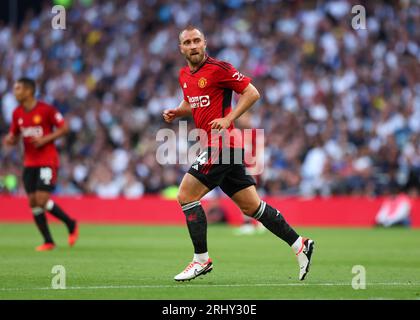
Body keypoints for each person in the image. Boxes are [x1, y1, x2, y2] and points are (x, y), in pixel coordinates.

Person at [163, 26, 315, 281]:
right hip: (220, 147)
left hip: (222, 144)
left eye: (197, 40)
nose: (193, 45)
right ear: (181, 48)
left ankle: (201, 260)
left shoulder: (219, 68)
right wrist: (178, 112)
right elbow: (193, 102)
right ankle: (300, 244)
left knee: (186, 195)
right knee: (252, 207)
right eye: (187, 42)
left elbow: (252, 92)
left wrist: (229, 117)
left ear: (205, 42)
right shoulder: (184, 76)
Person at [3, 78, 79, 251]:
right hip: (29, 163)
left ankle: (70, 223)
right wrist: (10, 139)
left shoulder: (46, 110)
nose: (15, 92)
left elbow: (64, 128)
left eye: (18, 88)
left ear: (29, 91)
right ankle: (48, 240)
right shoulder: (17, 113)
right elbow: (14, 135)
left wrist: (45, 139)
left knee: (42, 199)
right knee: (32, 202)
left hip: (47, 161)